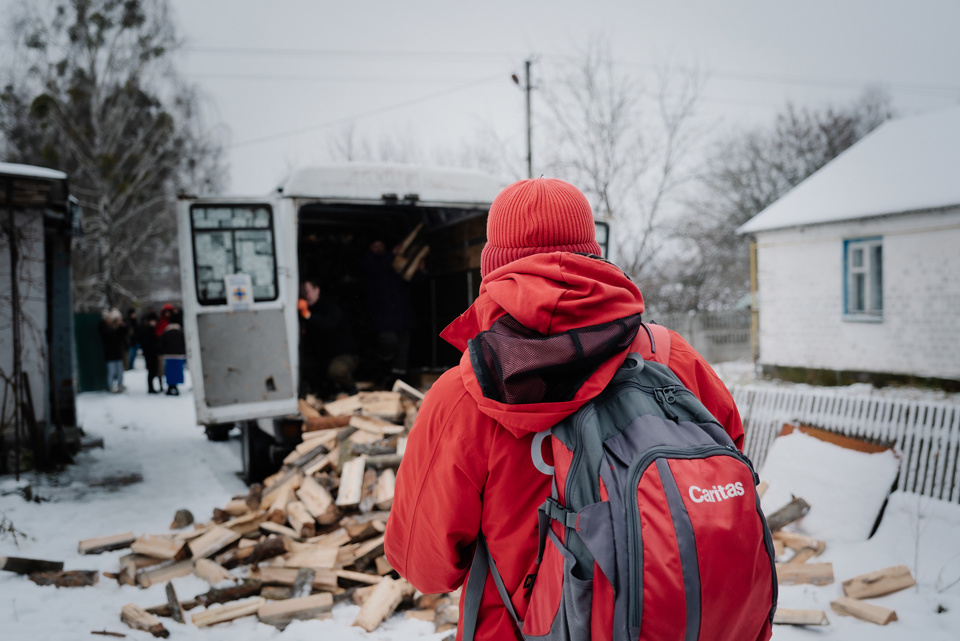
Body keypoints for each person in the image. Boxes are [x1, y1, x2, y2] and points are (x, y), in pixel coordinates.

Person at [384, 178, 746, 641]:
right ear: (594, 254)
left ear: (493, 269)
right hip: (672, 621)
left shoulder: (465, 393)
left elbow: (424, 565)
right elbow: (727, 461)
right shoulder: (672, 357)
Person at [360, 239, 420, 384]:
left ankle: (398, 379)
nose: (379, 248)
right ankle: (385, 370)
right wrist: (392, 256)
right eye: (375, 245)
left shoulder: (394, 261)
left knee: (403, 346)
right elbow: (375, 269)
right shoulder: (370, 261)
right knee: (388, 341)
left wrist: (421, 270)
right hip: (383, 313)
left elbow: (411, 279)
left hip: (401, 311)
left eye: (381, 245)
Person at [298, 277, 359, 397]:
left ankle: (353, 391)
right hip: (323, 357)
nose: (305, 296)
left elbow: (328, 325)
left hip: (344, 355)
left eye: (307, 292)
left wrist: (307, 315)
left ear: (317, 290)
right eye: (302, 293)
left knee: (337, 370)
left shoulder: (330, 306)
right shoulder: (304, 310)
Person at [98, 308, 127, 393]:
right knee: (112, 372)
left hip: (118, 353)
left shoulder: (116, 328)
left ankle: (120, 385)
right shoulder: (104, 328)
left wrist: (121, 324)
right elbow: (103, 331)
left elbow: (123, 334)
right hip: (109, 354)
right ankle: (111, 386)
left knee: (120, 371)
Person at [160, 309, 186, 396]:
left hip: (169, 355)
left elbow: (162, 344)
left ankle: (170, 387)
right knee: (177, 371)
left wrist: (163, 352)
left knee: (169, 372)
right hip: (179, 355)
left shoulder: (166, 333)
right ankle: (175, 387)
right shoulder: (181, 332)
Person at [139, 311, 163, 394]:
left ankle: (154, 387)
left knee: (155, 370)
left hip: (153, 353)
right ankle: (151, 388)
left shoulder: (152, 329)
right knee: (151, 371)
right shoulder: (146, 330)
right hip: (149, 353)